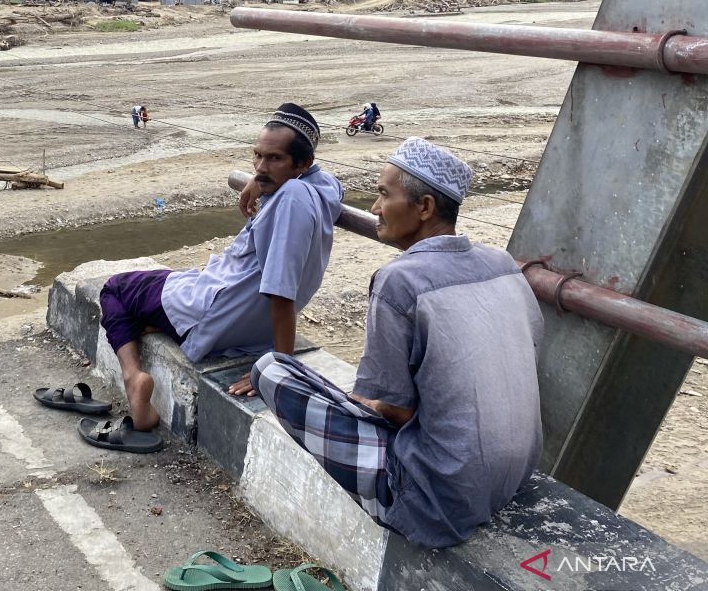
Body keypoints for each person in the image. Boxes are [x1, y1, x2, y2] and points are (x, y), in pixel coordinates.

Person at [250, 137, 543, 549]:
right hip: (513, 477)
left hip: (438, 500)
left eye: (384, 194)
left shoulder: (399, 281)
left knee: (271, 369)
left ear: (423, 208)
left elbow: (398, 412)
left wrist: (368, 403)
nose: (373, 208)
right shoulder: (502, 264)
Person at [84, 103, 342, 451]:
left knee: (115, 289)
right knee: (158, 283)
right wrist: (260, 181)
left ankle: (133, 378)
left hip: (215, 312)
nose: (261, 167)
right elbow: (328, 180)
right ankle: (155, 323)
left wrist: (280, 372)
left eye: (274, 159)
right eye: (257, 157)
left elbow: (281, 293)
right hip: (240, 313)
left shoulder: (293, 198)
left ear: (301, 164)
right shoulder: (320, 188)